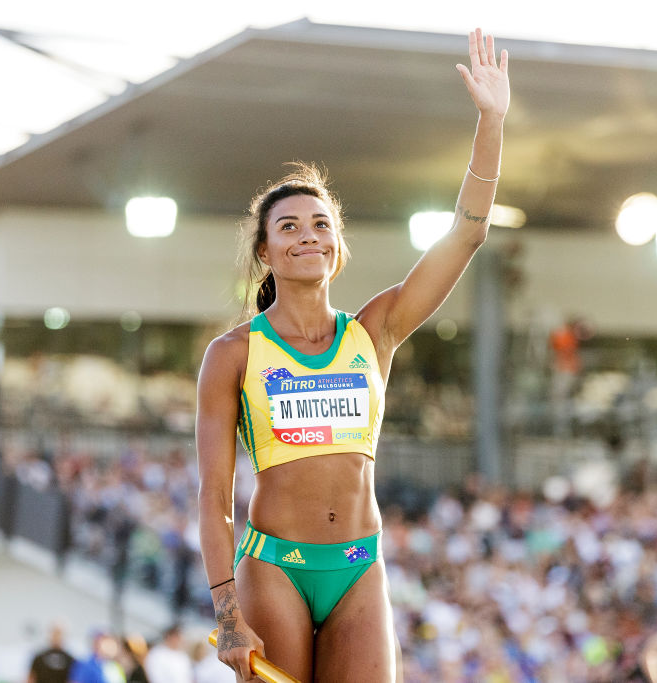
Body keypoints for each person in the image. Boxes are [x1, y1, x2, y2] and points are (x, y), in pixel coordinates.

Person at [196, 27, 509, 683]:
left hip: (359, 564)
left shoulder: (375, 330)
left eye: (321, 225)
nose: (307, 236)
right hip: (275, 566)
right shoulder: (233, 353)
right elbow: (214, 498)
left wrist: (492, 120)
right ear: (265, 252)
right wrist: (227, 610)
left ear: (337, 246)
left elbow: (470, 232)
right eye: (289, 226)